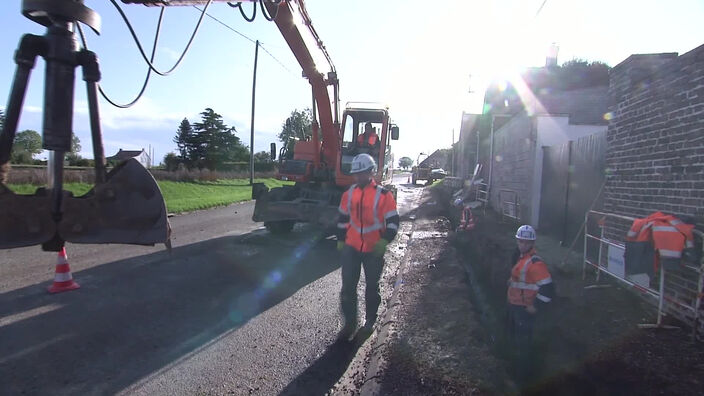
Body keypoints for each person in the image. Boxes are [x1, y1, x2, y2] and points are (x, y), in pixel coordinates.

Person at [335, 153, 399, 341]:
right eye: (357, 174)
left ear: (371, 172)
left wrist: (385, 240)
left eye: (363, 173)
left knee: (372, 288)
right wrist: (340, 239)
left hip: (373, 249)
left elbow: (394, 221)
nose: (359, 177)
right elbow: (342, 220)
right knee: (348, 288)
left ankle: (370, 321)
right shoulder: (348, 194)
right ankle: (349, 323)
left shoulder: (384, 195)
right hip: (352, 247)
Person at [506, 225, 555, 382]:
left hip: (523, 310)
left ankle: (522, 379)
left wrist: (535, 306)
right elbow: (522, 278)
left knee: (523, 345)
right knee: (515, 339)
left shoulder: (535, 263)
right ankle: (515, 369)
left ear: (532, 243)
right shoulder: (521, 257)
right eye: (521, 241)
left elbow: (548, 289)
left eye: (527, 242)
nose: (523, 245)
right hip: (515, 305)